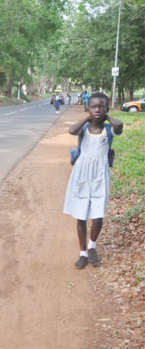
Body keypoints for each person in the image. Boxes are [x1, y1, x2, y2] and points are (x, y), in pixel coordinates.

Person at [63, 93, 123, 269]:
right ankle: (82, 253)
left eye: (101, 106)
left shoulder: (108, 129)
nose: (97, 109)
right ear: (88, 109)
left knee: (97, 216)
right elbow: (72, 130)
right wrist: (87, 119)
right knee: (81, 215)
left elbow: (119, 125)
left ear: (106, 109)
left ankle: (92, 247)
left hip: (99, 176)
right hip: (82, 175)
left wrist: (106, 117)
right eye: (94, 107)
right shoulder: (83, 128)